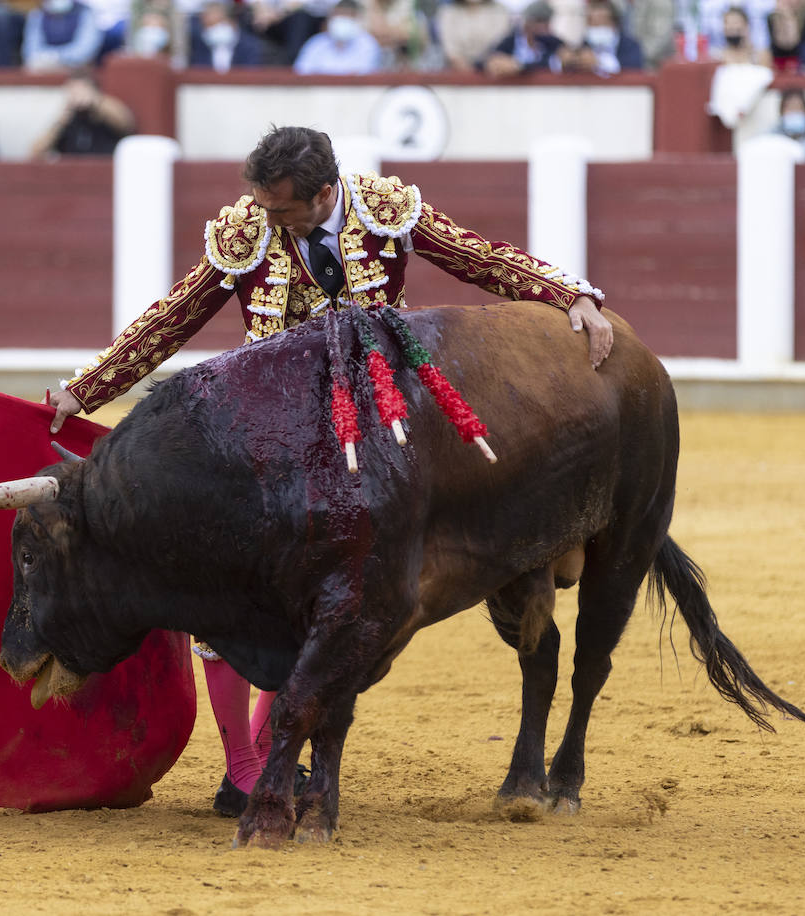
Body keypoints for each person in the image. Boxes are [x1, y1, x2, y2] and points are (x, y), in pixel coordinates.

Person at [44, 126, 613, 817]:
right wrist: (87, 389)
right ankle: (245, 767)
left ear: (323, 195)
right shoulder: (245, 231)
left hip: (378, 433)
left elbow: (478, 259)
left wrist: (568, 293)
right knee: (229, 590)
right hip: (267, 437)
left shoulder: (384, 211)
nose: (266, 221)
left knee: (340, 597)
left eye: (281, 211)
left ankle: (277, 744)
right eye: (261, 206)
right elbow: (172, 320)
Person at [28, 71, 135, 157]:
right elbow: (35, 153)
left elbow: (126, 123)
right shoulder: (68, 121)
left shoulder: (105, 112)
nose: (78, 96)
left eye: (81, 91)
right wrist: (60, 123)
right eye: (73, 92)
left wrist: (95, 102)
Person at [293, 0, 384, 74]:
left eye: (347, 15)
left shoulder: (368, 44)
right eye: (338, 15)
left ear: (357, 19)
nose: (342, 19)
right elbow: (301, 73)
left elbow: (365, 75)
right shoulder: (317, 43)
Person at [559, 0, 644, 74]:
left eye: (600, 22)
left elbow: (633, 66)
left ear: (613, 23)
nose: (595, 27)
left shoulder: (630, 45)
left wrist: (599, 62)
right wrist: (570, 61)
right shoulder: (584, 45)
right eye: (591, 22)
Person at [483, 0, 565, 75]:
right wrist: (495, 62)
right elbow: (485, 60)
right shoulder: (510, 41)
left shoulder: (553, 42)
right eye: (539, 21)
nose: (543, 26)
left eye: (545, 21)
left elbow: (557, 62)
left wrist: (519, 66)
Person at [22, 0, 104, 70]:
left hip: (76, 71)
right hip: (42, 69)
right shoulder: (38, 14)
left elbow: (84, 51)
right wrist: (46, 59)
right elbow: (30, 50)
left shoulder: (85, 13)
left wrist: (56, 58)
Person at [434, 0, 512, 72]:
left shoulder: (500, 10)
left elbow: (502, 46)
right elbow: (451, 52)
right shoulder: (448, 12)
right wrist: (468, 69)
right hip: (457, 76)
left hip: (494, 75)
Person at [188, 2, 263, 71]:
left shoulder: (250, 46)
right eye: (206, 26)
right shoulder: (199, 46)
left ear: (231, 22)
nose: (210, 30)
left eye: (214, 24)